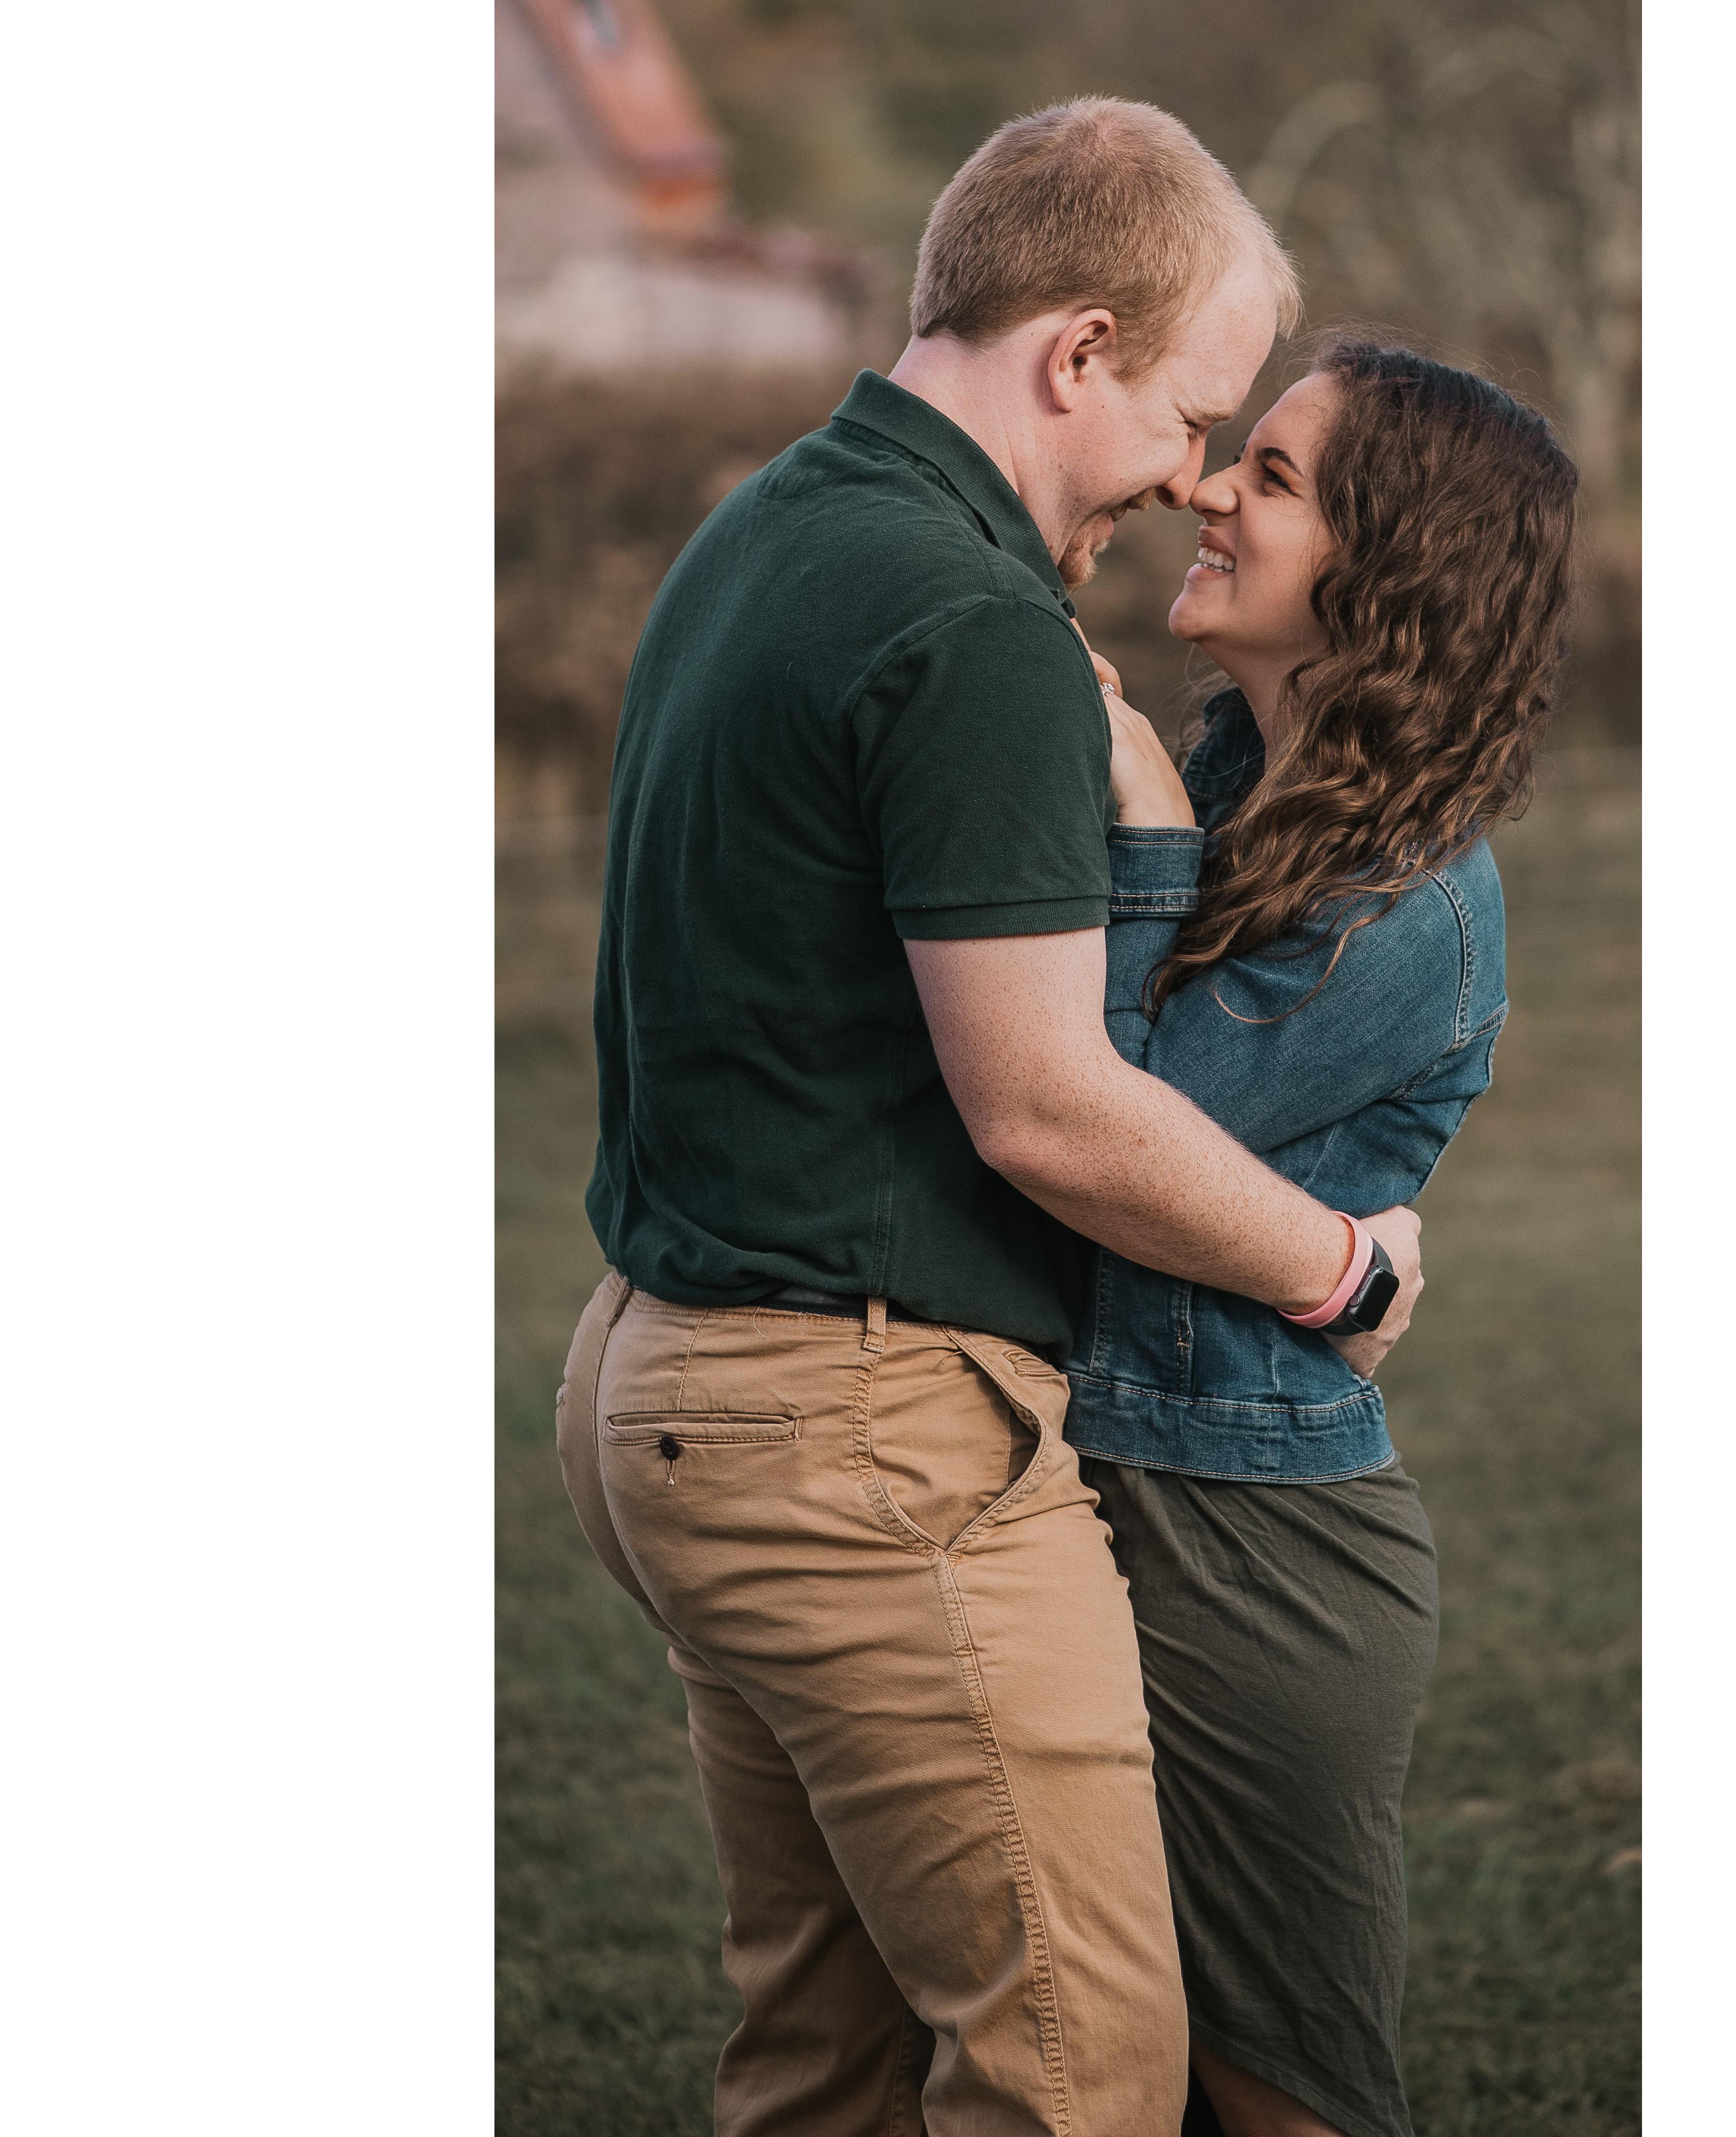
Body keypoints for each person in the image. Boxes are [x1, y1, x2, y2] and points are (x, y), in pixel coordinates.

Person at [552, 104, 1428, 2137]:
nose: (1189, 479)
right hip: (851, 1440)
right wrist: (1339, 1267)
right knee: (1078, 2069)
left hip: (670, 1380)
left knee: (829, 2062)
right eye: (1187, 418)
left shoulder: (769, 523)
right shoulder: (971, 624)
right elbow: (1046, 1105)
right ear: (1076, 352)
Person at [1069, 338, 1579, 2137]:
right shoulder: (1238, 782)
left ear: (1385, 569)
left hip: (1255, 1557)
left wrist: (1139, 825)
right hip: (1117, 1494)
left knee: (1274, 2087)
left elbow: (1102, 1125)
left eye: (1272, 477)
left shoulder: (1406, 901)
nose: (1208, 487)